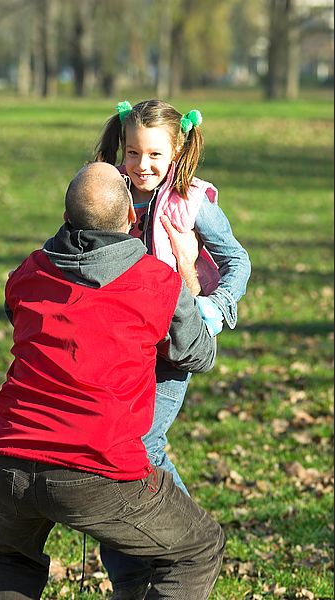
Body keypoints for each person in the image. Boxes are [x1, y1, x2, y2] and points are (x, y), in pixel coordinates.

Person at [0, 162, 225, 600]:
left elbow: (20, 313)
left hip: (6, 460)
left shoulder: (29, 273)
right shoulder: (156, 280)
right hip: (94, 466)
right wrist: (187, 270)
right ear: (132, 218)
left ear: (66, 216)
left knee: (11, 560)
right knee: (198, 548)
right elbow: (198, 353)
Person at [94, 99, 251, 595]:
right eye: (134, 152)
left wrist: (212, 310)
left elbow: (237, 262)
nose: (142, 165)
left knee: (142, 443)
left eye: (155, 155)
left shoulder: (192, 202)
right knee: (111, 450)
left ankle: (187, 537)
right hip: (121, 344)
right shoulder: (109, 192)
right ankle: (129, 573)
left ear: (178, 150)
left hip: (172, 346)